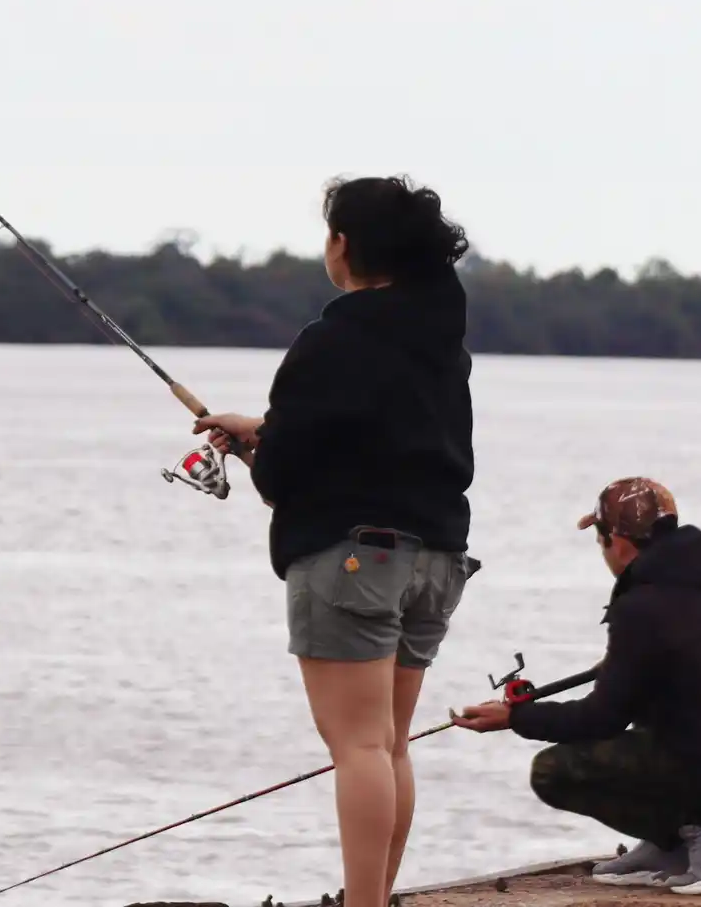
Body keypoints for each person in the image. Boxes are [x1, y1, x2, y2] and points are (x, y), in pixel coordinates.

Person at [194, 175, 476, 907]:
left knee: (356, 746)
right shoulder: (441, 341)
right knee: (389, 743)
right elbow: (379, 432)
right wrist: (269, 429)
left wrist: (263, 448)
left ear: (343, 244)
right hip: (437, 558)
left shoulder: (330, 340)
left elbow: (285, 474)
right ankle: (373, 896)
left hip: (353, 560)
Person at [453, 477, 701, 896]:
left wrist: (517, 717)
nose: (602, 552)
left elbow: (602, 718)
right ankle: (670, 846)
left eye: (601, 540)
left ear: (619, 541)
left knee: (554, 772)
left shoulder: (644, 605)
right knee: (648, 724)